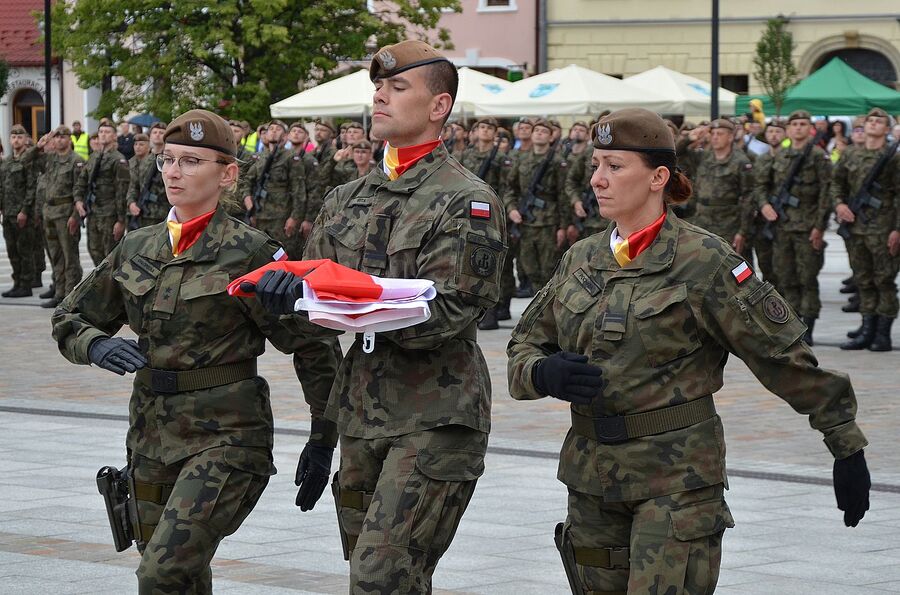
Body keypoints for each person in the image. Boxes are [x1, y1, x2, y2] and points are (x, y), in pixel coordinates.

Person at [507, 108, 872, 595]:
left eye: (615, 166)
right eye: (596, 165)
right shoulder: (581, 257)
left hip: (675, 479)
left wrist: (845, 443)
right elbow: (523, 346)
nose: (597, 179)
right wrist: (542, 373)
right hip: (591, 476)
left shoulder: (704, 260)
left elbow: (779, 356)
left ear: (658, 177)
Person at [251, 40, 506, 593]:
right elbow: (314, 326)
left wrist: (339, 297)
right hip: (361, 412)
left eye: (397, 88)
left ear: (438, 107)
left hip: (436, 414)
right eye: (378, 88)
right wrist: (288, 301)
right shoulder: (344, 198)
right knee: (386, 578)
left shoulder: (466, 200)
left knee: (379, 576)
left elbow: (448, 313)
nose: (379, 97)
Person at [51, 109, 342, 593]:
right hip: (150, 432)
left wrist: (323, 438)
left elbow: (313, 347)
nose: (173, 171)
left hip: (227, 437)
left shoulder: (251, 252)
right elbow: (69, 317)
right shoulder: (136, 246)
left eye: (190, 161)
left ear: (227, 174)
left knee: (161, 573)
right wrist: (94, 343)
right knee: (182, 577)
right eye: (168, 159)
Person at [756, 110, 832, 345]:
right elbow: (760, 186)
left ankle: (808, 326)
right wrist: (765, 205)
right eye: (794, 124)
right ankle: (790, 323)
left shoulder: (818, 156)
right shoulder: (779, 157)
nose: (798, 128)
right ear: (788, 130)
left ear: (809, 129)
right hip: (781, 227)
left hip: (807, 227)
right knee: (784, 276)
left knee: (807, 278)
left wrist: (819, 227)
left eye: (803, 124)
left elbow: (826, 193)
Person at [831, 107, 900, 351]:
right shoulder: (850, 154)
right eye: (869, 120)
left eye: (878, 121)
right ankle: (867, 330)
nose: (872, 124)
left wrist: (897, 230)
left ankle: (882, 334)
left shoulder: (893, 157)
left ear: (886, 128)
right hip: (856, 228)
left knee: (884, 281)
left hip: (883, 228)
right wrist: (839, 205)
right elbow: (836, 182)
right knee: (863, 281)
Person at [503, 118, 569, 291]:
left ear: (551, 137)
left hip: (549, 223)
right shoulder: (521, 160)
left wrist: (563, 226)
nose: (539, 133)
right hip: (525, 223)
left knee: (549, 270)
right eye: (536, 130)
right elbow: (510, 189)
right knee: (529, 268)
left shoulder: (557, 161)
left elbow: (563, 195)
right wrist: (511, 209)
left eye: (544, 131)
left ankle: (548, 311)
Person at [678, 118, 755, 260]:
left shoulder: (740, 162)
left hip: (728, 223)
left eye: (720, 134)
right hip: (702, 220)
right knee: (701, 263)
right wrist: (689, 138)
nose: (715, 137)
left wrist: (743, 231)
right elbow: (677, 154)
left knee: (729, 263)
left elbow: (748, 197)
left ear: (730, 137)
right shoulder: (703, 157)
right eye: (712, 134)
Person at [33, 127, 84, 308]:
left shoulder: (76, 161)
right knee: (56, 256)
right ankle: (59, 292)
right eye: (57, 137)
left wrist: (75, 216)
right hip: (50, 213)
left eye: (63, 137)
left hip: (66, 214)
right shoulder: (50, 159)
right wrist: (38, 146)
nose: (60, 140)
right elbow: (29, 161)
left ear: (69, 140)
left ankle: (70, 295)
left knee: (70, 256)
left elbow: (80, 190)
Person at [241, 120, 308, 258]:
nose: (273, 131)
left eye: (278, 129)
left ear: (284, 137)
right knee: (260, 256)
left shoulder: (290, 157)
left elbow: (298, 190)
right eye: (271, 128)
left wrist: (294, 218)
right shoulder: (259, 157)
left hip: (281, 217)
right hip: (259, 216)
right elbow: (247, 182)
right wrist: (249, 205)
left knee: (283, 256)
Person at [74, 120, 131, 266]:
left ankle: (111, 287)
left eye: (107, 132)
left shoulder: (118, 160)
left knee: (110, 254)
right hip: (93, 212)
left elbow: (122, 191)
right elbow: (82, 181)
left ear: (114, 136)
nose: (103, 135)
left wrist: (121, 220)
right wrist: (78, 200)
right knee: (94, 249)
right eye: (101, 132)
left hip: (109, 214)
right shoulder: (94, 157)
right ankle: (101, 284)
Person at [1, 124, 38, 297]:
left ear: (25, 139)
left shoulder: (28, 161)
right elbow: (2, 187)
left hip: (22, 214)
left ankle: (26, 284)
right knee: (12, 250)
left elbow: (32, 187)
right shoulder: (7, 162)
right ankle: (17, 283)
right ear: (10, 139)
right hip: (8, 213)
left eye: (19, 137)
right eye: (13, 137)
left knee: (24, 250)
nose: (16, 140)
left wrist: (24, 211)